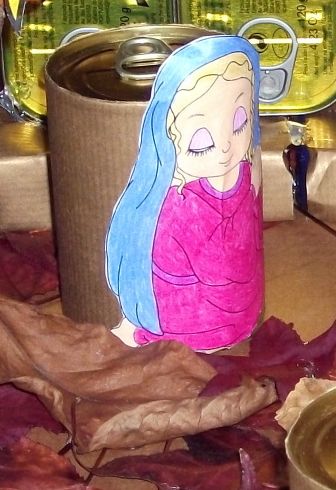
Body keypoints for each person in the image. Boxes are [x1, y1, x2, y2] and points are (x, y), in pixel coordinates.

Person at [106, 35, 264, 351]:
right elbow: (224, 274)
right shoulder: (180, 209)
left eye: (240, 122)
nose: (225, 147)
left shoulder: (242, 174)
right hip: (195, 330)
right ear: (166, 146)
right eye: (200, 143)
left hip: (238, 316)